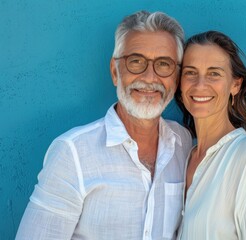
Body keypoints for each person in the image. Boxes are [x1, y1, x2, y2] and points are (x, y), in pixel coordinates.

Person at [15, 11, 192, 240]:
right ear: (115, 72)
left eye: (164, 64)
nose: (150, 77)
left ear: (176, 78)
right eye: (136, 61)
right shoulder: (73, 153)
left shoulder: (184, 143)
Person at [175, 31, 246, 239]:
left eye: (214, 73)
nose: (200, 85)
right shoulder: (179, 155)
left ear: (235, 85)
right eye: (190, 72)